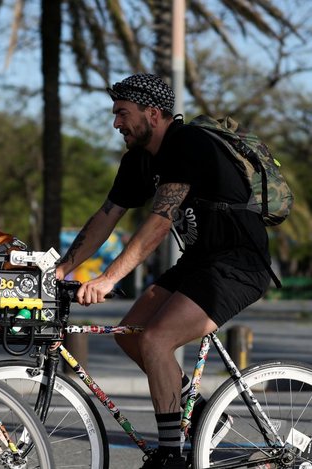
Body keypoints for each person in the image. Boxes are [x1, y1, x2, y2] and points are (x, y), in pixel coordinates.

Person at [55, 73, 271, 468]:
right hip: (198, 262)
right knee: (131, 334)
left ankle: (170, 456)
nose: (115, 123)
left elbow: (159, 222)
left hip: (237, 262)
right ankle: (206, 415)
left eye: (122, 113)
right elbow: (107, 216)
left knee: (155, 340)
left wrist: (107, 278)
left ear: (152, 113)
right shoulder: (138, 160)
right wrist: (63, 269)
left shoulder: (188, 144)